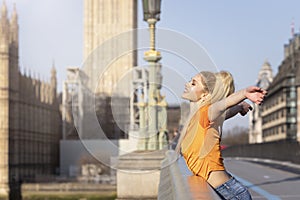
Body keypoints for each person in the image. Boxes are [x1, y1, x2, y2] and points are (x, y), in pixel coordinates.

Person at [175, 71, 266, 199]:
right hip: (223, 190)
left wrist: (244, 93)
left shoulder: (206, 112)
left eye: (193, 83)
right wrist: (239, 107)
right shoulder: (197, 120)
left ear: (205, 94)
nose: (187, 84)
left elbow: (223, 105)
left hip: (229, 192)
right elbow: (225, 114)